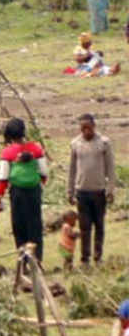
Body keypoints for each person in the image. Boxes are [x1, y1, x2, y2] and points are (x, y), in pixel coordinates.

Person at [0, 118, 49, 262]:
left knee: (19, 225)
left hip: (17, 193)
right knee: (35, 224)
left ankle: (24, 261)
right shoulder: (36, 148)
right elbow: (44, 172)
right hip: (34, 191)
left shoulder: (7, 153)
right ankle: (37, 259)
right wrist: (40, 184)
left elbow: (3, 177)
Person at [67, 114, 115, 267]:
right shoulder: (75, 143)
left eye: (88, 127)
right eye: (83, 128)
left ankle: (98, 257)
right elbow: (72, 169)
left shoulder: (104, 143)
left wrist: (110, 189)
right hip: (82, 191)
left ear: (94, 126)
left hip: (99, 191)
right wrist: (70, 191)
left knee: (99, 226)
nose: (86, 131)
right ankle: (85, 258)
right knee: (84, 227)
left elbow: (110, 168)